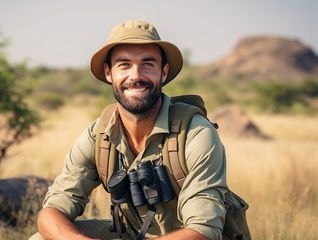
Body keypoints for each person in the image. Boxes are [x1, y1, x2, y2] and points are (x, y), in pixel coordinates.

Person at [31, 19, 228, 240]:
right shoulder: (99, 136)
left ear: (163, 72)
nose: (135, 76)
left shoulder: (195, 134)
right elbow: (51, 212)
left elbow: (203, 232)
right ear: (108, 73)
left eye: (147, 64)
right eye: (124, 64)